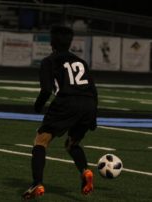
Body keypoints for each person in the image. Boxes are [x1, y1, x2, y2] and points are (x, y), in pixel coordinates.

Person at [22, 26, 98, 200]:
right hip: (88, 104)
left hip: (67, 102)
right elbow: (94, 91)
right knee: (72, 144)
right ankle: (85, 171)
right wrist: (93, 117)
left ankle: (37, 183)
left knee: (41, 140)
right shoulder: (81, 61)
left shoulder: (49, 61)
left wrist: (37, 106)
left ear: (51, 42)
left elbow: (47, 89)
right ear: (70, 42)